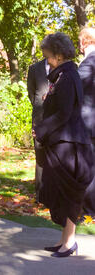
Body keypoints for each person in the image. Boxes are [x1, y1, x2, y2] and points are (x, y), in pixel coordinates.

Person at [33, 32, 94, 257]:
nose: (47, 61)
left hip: (69, 145)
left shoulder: (68, 76)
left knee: (68, 194)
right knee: (60, 193)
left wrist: (41, 129)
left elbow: (65, 113)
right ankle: (64, 240)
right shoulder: (64, 75)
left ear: (58, 55)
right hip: (61, 142)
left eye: (48, 57)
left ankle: (69, 243)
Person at [27, 58, 50, 202]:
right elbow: (31, 92)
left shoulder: (68, 66)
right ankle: (40, 195)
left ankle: (55, 193)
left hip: (58, 116)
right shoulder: (35, 68)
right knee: (40, 154)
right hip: (40, 116)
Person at [78, 27, 95, 218]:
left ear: (84, 42)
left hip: (88, 124)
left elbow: (77, 91)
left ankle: (90, 209)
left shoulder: (88, 63)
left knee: (88, 168)